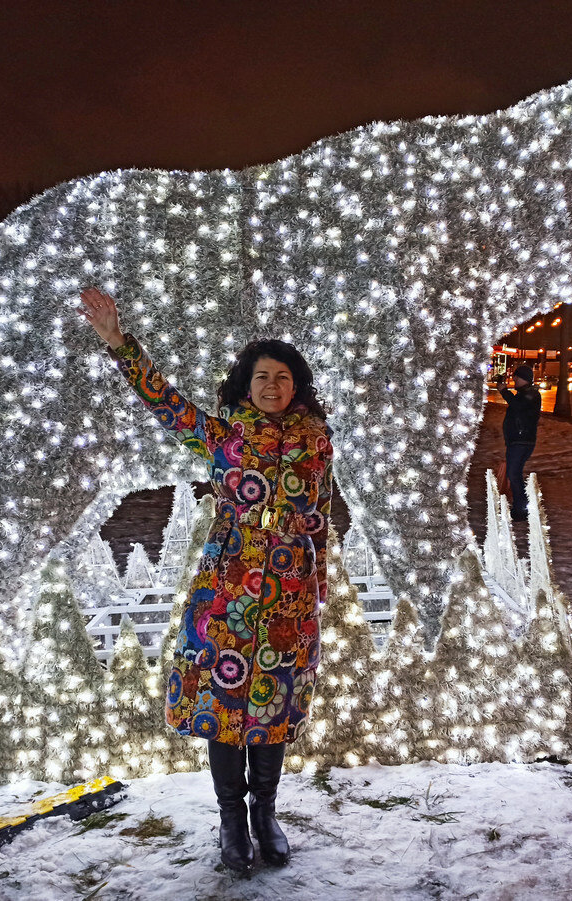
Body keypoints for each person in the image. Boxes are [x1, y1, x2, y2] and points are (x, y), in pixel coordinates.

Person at [78, 287, 333, 874]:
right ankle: (232, 821)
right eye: (263, 377)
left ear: (297, 386)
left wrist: (316, 585)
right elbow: (164, 403)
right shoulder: (222, 436)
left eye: (285, 378)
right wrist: (121, 344)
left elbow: (318, 514)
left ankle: (266, 813)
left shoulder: (315, 440)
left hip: (288, 595)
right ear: (246, 385)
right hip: (226, 590)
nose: (274, 386)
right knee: (224, 704)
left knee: (270, 707)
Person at [498, 363, 542, 521]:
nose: (514, 379)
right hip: (518, 440)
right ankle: (521, 506)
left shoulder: (530, 394)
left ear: (524, 378)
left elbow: (518, 407)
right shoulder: (525, 394)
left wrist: (504, 391)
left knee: (513, 474)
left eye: (516, 376)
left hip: (521, 440)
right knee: (514, 473)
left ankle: (521, 509)